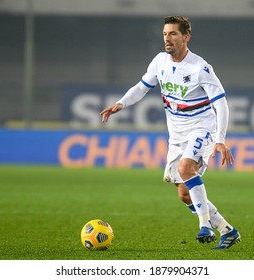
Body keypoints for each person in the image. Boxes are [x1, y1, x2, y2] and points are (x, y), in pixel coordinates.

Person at [100, 16, 240, 249]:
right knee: (184, 194)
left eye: (173, 34)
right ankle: (228, 230)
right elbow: (142, 87)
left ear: (186, 37)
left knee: (186, 168)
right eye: (165, 34)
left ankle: (205, 225)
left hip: (202, 128)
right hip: (177, 135)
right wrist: (121, 104)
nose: (167, 38)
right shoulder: (160, 62)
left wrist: (220, 140)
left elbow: (221, 104)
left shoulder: (200, 68)